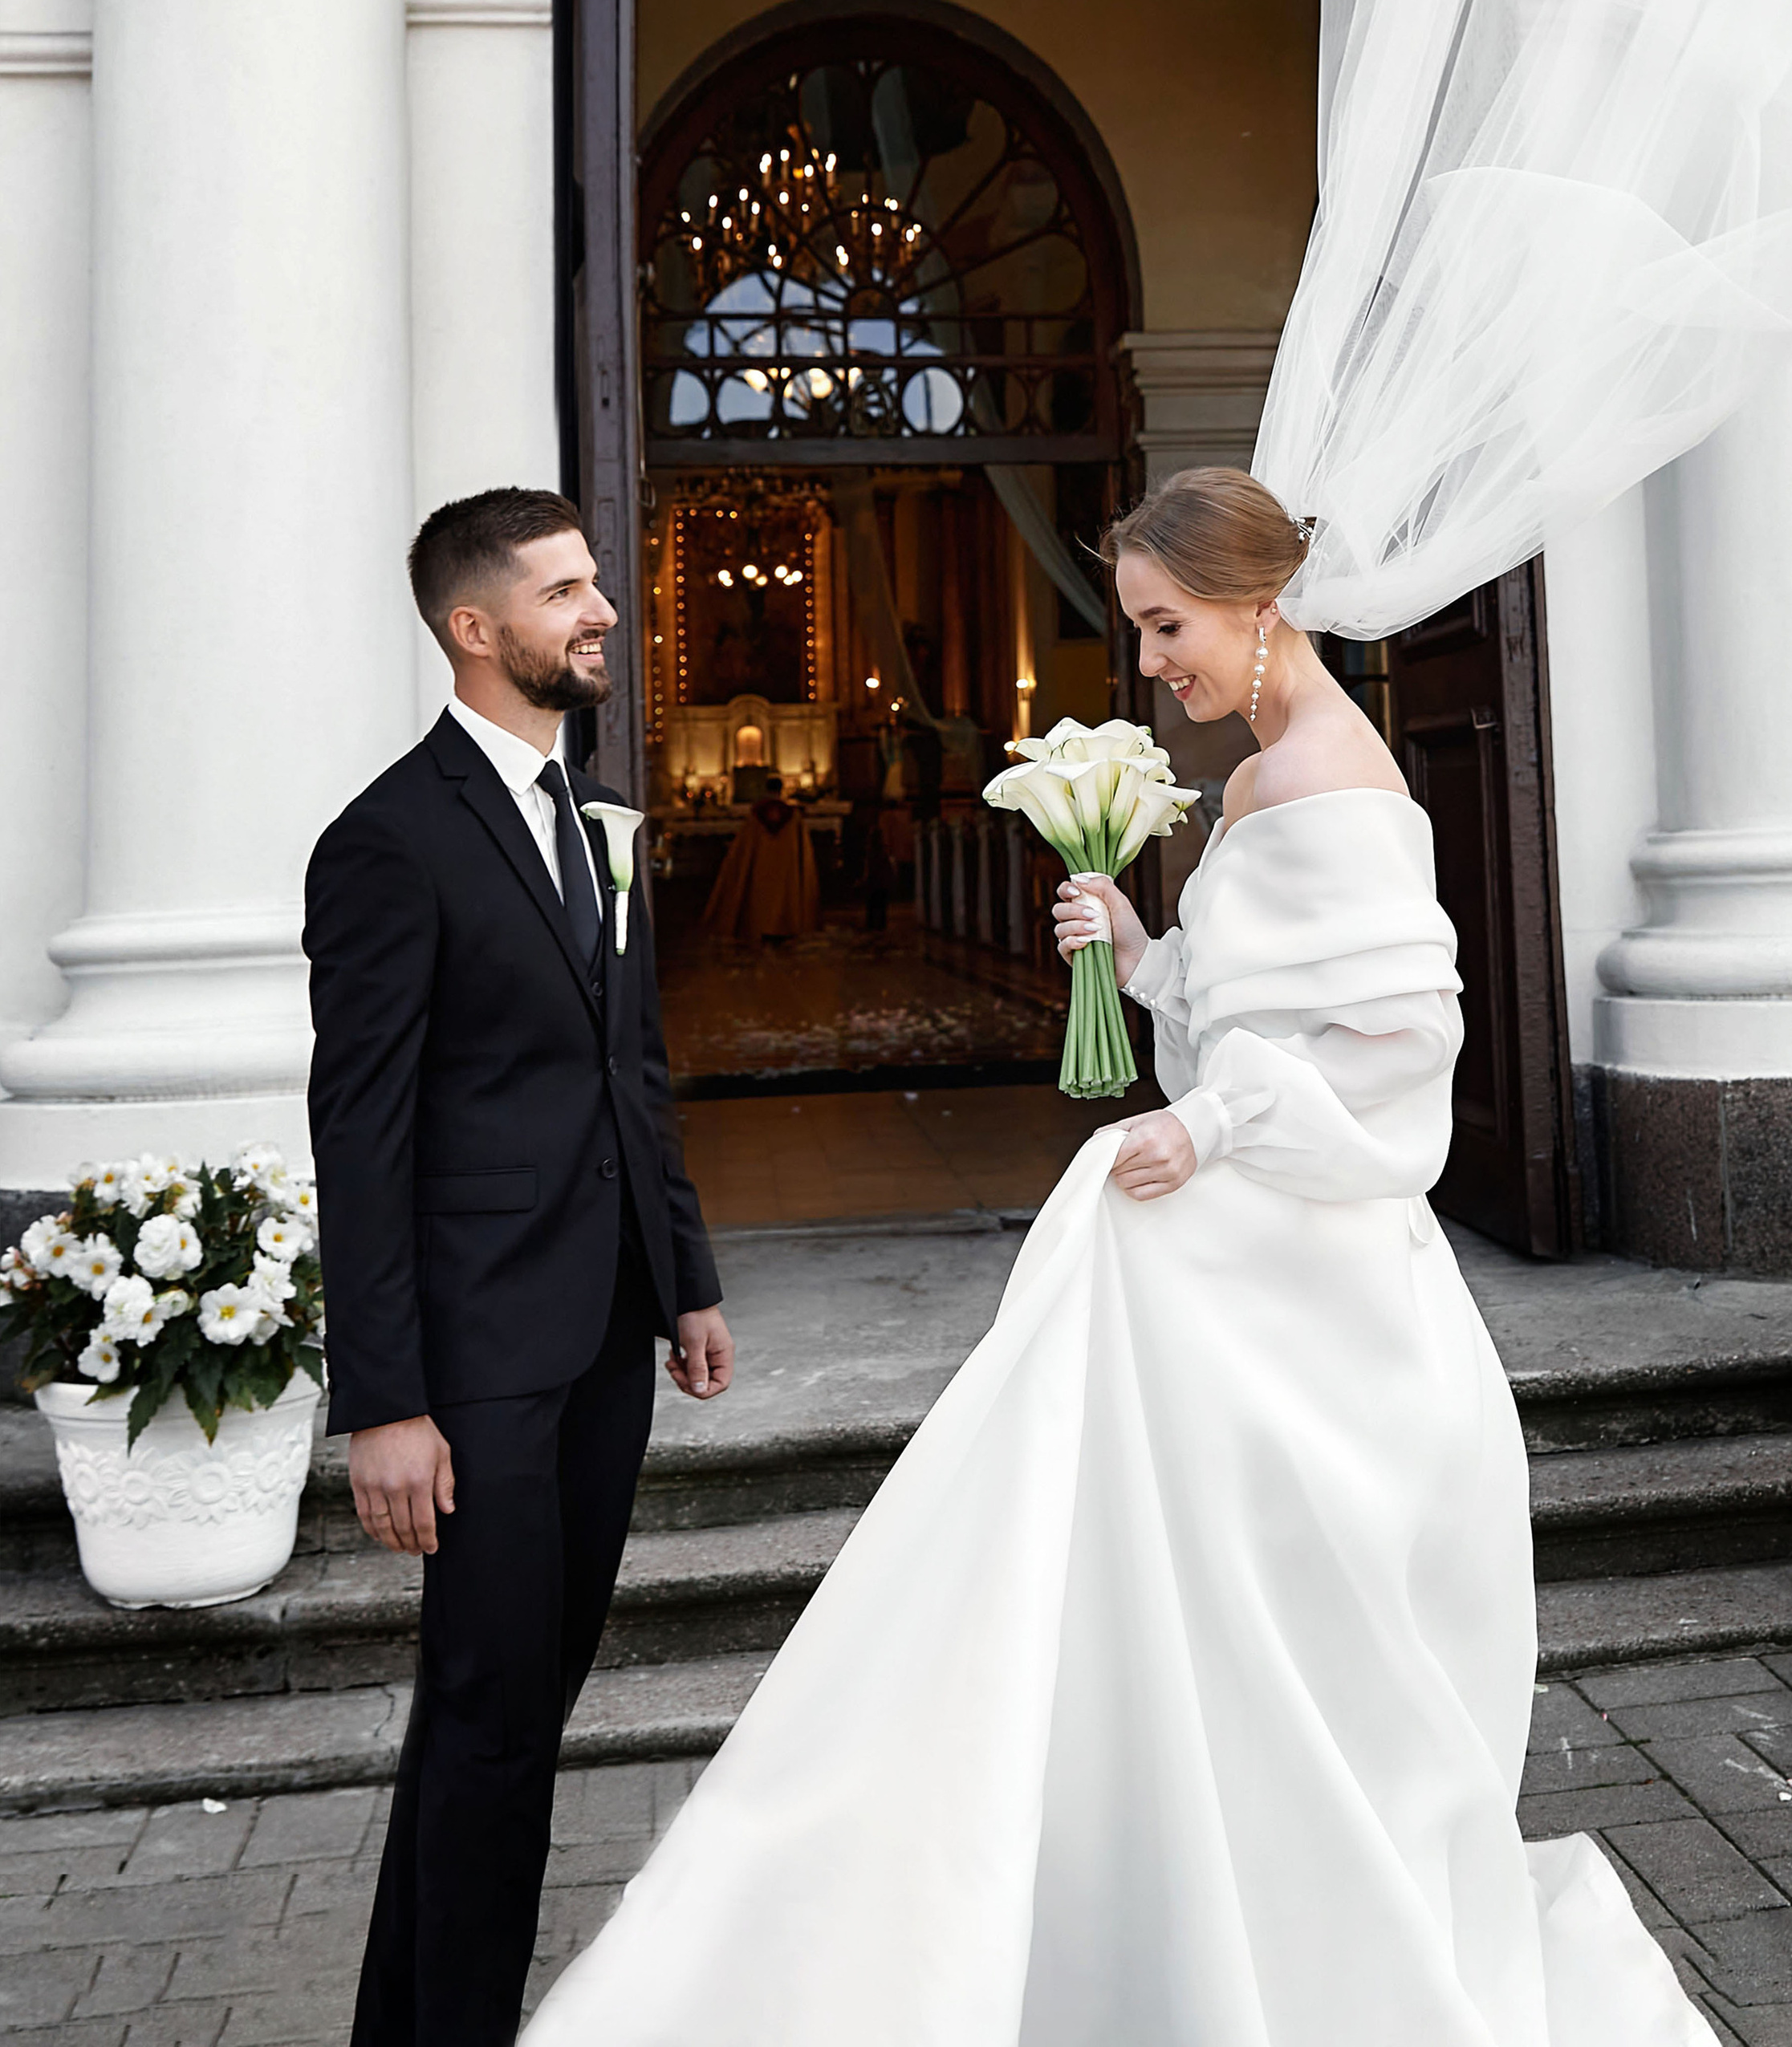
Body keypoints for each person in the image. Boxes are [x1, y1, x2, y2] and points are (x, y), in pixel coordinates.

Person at [523, 476, 1710, 2045]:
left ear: (1254, 602)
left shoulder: (1311, 784)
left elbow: (1400, 1057)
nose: (1149, 663)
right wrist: (1147, 961)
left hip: (1310, 1307)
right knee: (1191, 1630)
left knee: (1253, 1635)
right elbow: (1261, 1027)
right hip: (1248, 1280)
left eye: (1163, 627)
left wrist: (1211, 1133)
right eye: (1139, 628)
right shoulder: (1267, 783)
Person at [303, 487, 733, 2047]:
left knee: (511, 1710)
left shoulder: (590, 817)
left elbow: (633, 1069)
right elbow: (360, 1139)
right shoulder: (387, 842)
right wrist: (384, 1403)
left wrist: (681, 1275)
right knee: (491, 1722)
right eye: (564, 592)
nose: (600, 609)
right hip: (476, 1361)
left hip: (604, 1330)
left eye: (593, 584)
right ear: (474, 628)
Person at [701, 773, 821, 942]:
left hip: (760, 869)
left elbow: (743, 848)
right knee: (785, 895)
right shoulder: (793, 816)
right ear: (782, 790)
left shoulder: (756, 815)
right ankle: (786, 925)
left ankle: (759, 925)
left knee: (761, 897)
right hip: (786, 870)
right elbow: (803, 850)